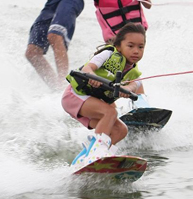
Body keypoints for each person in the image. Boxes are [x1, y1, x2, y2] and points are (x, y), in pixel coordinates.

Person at [62, 23, 147, 170]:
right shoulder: (109, 54)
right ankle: (97, 152)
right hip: (74, 96)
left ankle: (85, 158)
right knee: (110, 112)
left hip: (91, 104)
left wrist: (125, 89)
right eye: (131, 46)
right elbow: (88, 68)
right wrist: (93, 76)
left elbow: (134, 85)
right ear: (119, 46)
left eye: (140, 47)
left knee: (120, 130)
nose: (136, 51)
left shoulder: (135, 74)